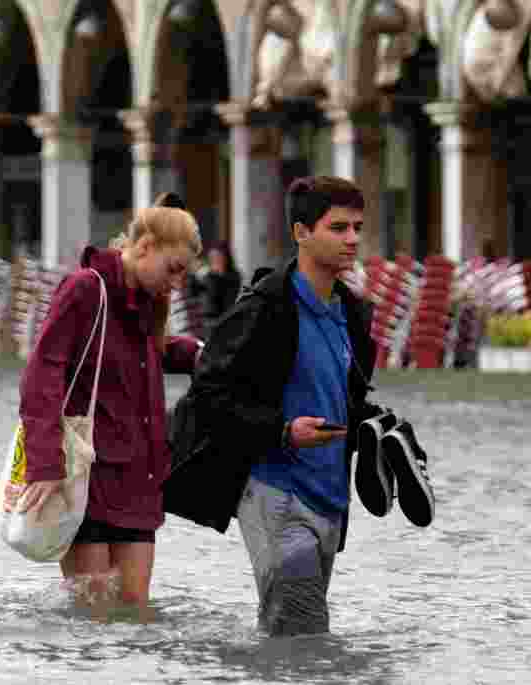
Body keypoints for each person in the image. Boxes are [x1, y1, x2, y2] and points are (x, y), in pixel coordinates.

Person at [166, 175, 434, 636]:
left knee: (291, 637)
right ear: (301, 233)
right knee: (303, 634)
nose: (352, 239)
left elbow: (341, 394)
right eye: (338, 228)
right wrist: (282, 431)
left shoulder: (352, 311)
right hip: (275, 491)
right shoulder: (264, 308)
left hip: (331, 498)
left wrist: (374, 425)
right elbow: (210, 395)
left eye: (356, 227)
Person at [16, 198, 203, 606]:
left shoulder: (150, 302)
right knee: (93, 613)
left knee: (136, 611)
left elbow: (148, 351)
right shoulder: (86, 288)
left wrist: (200, 355)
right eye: (174, 269)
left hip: (140, 477)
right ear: (145, 246)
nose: (177, 283)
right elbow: (41, 375)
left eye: (184, 275)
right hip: (87, 477)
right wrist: (45, 465)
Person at [200, 242, 242, 336]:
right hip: (208, 322)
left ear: (226, 258)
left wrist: (217, 277)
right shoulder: (207, 277)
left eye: (218, 257)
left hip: (226, 321)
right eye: (212, 258)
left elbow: (229, 301)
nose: (215, 261)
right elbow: (206, 301)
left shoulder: (233, 277)